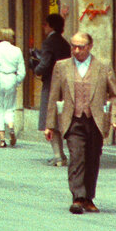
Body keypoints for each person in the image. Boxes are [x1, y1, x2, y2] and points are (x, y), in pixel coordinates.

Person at [45, 31, 116, 214]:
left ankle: (89, 198)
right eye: (73, 46)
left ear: (89, 47)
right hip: (72, 120)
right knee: (76, 156)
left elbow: (114, 94)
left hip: (95, 120)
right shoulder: (61, 66)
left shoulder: (103, 66)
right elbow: (53, 96)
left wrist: (115, 119)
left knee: (92, 159)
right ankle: (78, 198)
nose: (76, 50)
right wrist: (50, 124)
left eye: (80, 47)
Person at [36, 12, 71, 166]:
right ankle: (61, 154)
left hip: (51, 84)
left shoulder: (49, 42)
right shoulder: (64, 43)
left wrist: (36, 69)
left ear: (50, 26)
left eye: (45, 24)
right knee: (60, 118)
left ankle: (58, 155)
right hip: (65, 84)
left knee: (50, 119)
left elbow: (45, 63)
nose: (43, 27)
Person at [0, 27, 27, 147]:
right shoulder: (17, 50)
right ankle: (11, 127)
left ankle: (2, 140)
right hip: (11, 79)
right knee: (10, 107)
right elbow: (22, 71)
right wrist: (16, 81)